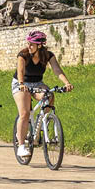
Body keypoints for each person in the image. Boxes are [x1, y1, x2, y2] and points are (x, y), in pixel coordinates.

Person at [12, 30, 74, 158]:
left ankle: (41, 125)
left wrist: (67, 83)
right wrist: (22, 84)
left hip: (37, 83)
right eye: (28, 43)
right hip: (21, 83)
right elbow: (20, 71)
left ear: (39, 45)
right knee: (24, 113)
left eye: (31, 44)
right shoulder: (23, 55)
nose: (28, 46)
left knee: (49, 96)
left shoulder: (48, 55)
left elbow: (57, 70)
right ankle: (21, 146)